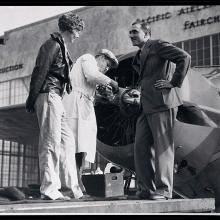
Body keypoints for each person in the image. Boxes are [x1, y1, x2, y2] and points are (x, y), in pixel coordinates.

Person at [128, 18, 191, 200]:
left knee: (163, 148)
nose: (131, 35)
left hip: (162, 103)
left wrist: (173, 83)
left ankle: (164, 190)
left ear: (146, 34)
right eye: (130, 32)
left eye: (135, 32)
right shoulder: (137, 55)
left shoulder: (157, 45)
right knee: (140, 147)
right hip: (145, 106)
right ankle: (145, 189)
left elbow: (184, 57)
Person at [25, 12, 85, 200]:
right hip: (48, 95)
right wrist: (32, 97)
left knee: (67, 142)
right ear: (72, 29)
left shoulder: (62, 47)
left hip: (56, 98)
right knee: (50, 143)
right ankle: (49, 189)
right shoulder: (51, 45)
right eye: (78, 31)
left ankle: (70, 188)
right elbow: (40, 70)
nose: (79, 35)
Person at [62, 49, 119, 195]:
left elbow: (90, 90)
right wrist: (112, 82)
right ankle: (70, 184)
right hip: (75, 104)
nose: (106, 69)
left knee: (82, 146)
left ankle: (77, 181)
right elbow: (92, 76)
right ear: (100, 57)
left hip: (84, 106)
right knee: (73, 144)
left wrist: (103, 97)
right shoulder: (88, 58)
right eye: (107, 64)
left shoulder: (93, 71)